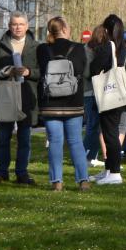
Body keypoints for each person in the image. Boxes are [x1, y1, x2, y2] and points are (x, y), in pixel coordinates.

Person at [0, 11, 40, 185]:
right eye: (14, 24)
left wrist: (29, 72)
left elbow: (43, 72)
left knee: (24, 138)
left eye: (21, 24)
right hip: (5, 96)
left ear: (27, 26)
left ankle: (22, 173)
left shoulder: (37, 47)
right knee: (3, 138)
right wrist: (4, 71)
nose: (17, 27)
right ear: (9, 26)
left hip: (27, 97)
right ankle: (2, 172)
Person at [36, 17, 90, 191]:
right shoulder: (79, 48)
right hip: (73, 102)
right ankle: (83, 180)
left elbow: (41, 72)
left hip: (50, 103)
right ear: (66, 29)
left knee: (55, 141)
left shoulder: (43, 49)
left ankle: (57, 182)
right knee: (75, 141)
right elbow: (82, 71)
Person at [88, 14, 126, 185]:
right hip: (120, 94)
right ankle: (109, 169)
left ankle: (114, 173)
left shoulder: (108, 46)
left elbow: (94, 67)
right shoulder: (125, 47)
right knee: (110, 133)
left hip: (109, 95)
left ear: (106, 29)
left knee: (110, 134)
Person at [82, 27, 107, 168]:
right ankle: (85, 155)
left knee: (95, 126)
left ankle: (91, 155)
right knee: (92, 125)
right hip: (91, 91)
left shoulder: (89, 49)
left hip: (93, 91)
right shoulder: (89, 51)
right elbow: (87, 73)